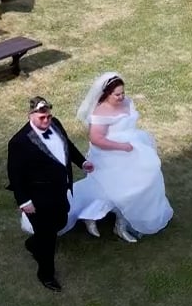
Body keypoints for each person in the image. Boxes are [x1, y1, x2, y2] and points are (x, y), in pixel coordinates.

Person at [68, 72, 173, 242]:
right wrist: (122, 146)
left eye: (122, 92)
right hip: (111, 153)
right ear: (106, 94)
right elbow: (96, 138)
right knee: (115, 189)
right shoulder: (101, 112)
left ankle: (121, 222)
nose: (121, 97)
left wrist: (132, 144)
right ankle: (92, 215)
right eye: (117, 94)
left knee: (143, 183)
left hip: (134, 148)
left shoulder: (127, 101)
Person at [5, 96, 91, 293]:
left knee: (60, 221)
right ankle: (46, 274)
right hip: (38, 198)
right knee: (48, 238)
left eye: (49, 117)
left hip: (59, 191)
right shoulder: (19, 142)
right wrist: (24, 201)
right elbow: (15, 175)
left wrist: (82, 163)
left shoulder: (56, 124)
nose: (47, 121)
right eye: (42, 117)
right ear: (30, 116)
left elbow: (67, 146)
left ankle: (33, 243)